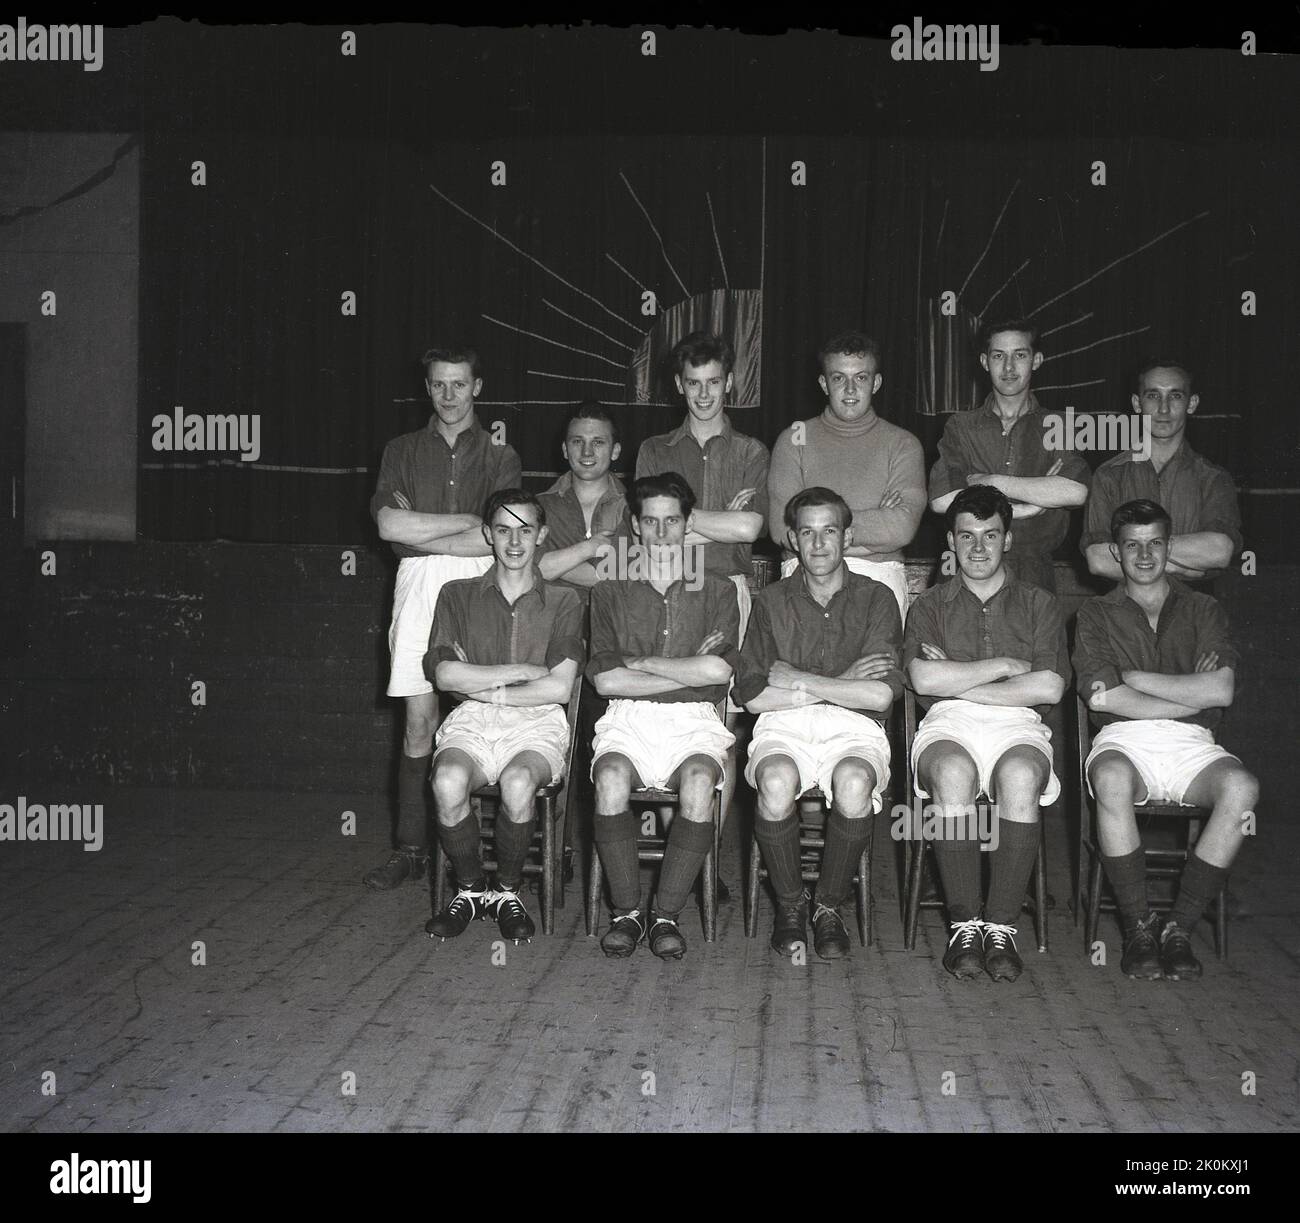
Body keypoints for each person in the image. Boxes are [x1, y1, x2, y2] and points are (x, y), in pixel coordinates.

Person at [1074, 499, 1259, 981]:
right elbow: (1101, 699)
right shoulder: (1095, 613)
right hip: (1123, 739)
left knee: (1241, 791)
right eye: (1132, 545)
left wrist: (1135, 677)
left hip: (1192, 743)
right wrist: (1187, 693)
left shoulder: (1203, 608)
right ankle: (1138, 927)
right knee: (1111, 778)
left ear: (1169, 546)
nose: (1144, 555)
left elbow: (1221, 689)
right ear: (1115, 553)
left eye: (1155, 543)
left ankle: (1179, 927)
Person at [364, 346, 521, 891]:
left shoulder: (502, 455)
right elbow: (388, 527)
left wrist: (425, 528)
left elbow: (496, 533)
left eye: (459, 384)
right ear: (426, 387)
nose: (448, 396)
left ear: (478, 386)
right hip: (418, 586)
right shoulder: (402, 449)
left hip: (481, 583)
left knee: (489, 714)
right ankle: (410, 848)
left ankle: (480, 854)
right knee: (418, 724)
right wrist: (464, 521)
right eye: (438, 385)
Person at [904, 485, 1069, 982]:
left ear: (1009, 540)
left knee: (1020, 775)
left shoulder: (1040, 603)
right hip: (947, 724)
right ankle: (964, 925)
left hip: (1019, 724)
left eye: (990, 536)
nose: (978, 548)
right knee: (953, 772)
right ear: (950, 543)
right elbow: (923, 681)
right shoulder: (929, 605)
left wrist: (960, 677)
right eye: (967, 536)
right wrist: (1001, 667)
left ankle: (1000, 928)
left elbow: (1050, 687)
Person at [734, 487, 903, 959]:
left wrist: (801, 679)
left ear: (847, 537)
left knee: (852, 783)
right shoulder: (770, 602)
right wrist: (840, 680)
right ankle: (791, 905)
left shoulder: (877, 598)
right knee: (774, 781)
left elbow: (879, 694)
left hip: (855, 725)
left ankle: (828, 906)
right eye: (807, 532)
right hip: (785, 724)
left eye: (830, 530)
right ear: (792, 538)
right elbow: (752, 698)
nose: (819, 543)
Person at [586, 472, 740, 960]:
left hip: (694, 718)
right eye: (649, 522)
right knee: (610, 776)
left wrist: (643, 662)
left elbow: (719, 675)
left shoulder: (716, 588)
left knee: (698, 782)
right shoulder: (610, 589)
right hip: (626, 716)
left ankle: (667, 914)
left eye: (671, 522)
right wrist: (687, 671)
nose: (660, 533)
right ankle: (628, 912)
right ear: (635, 524)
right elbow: (606, 681)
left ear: (688, 524)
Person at [423, 490, 584, 943]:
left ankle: (507, 891)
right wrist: (517, 674)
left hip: (539, 720)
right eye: (503, 530)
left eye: (525, 530)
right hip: (472, 718)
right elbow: (445, 676)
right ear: (487, 535)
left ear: (543, 535)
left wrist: (481, 683)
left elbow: (558, 687)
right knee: (447, 782)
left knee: (517, 783)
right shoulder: (456, 595)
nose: (515, 542)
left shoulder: (565, 601)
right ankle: (471, 889)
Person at [635, 331, 769, 859]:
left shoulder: (751, 451)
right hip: (667, 587)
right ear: (678, 386)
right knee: (671, 711)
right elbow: (654, 531)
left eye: (714, 382)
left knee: (723, 722)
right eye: (694, 384)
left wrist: (685, 520)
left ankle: (704, 859)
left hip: (729, 590)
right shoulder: (654, 449)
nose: (705, 394)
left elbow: (750, 528)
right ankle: (680, 849)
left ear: (730, 382)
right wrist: (716, 522)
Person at [767, 331, 924, 620]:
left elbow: (902, 528)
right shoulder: (794, 439)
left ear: (875, 383)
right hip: (803, 574)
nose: (850, 389)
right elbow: (782, 529)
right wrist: (874, 520)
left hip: (878, 575)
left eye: (861, 378)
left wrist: (816, 528)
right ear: (823, 383)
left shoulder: (903, 443)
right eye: (838, 378)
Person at [928, 318, 1090, 594]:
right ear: (984, 361)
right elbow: (942, 500)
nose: (1009, 367)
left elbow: (1074, 492)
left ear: (1037, 360)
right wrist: (1029, 506)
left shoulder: (1060, 424)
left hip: (1032, 574)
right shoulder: (962, 425)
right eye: (999, 356)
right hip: (965, 570)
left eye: (1020, 355)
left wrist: (990, 481)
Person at [1082, 360, 1241, 586]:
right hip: (1125, 616)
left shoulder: (1213, 478)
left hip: (1192, 614)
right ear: (1137, 404)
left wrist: (1134, 552)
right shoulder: (1109, 476)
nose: (1163, 409)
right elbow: (1098, 559)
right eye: (1153, 396)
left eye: (1175, 396)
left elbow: (1220, 550)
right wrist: (1185, 566)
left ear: (1192, 403)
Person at [536, 402, 628, 596]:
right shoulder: (538, 506)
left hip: (615, 623)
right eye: (577, 441)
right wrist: (589, 548)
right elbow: (525, 564)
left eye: (598, 442)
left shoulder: (635, 508)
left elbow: (630, 577)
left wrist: (553, 563)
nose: (587, 452)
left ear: (615, 451)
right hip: (555, 623)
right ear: (564, 449)